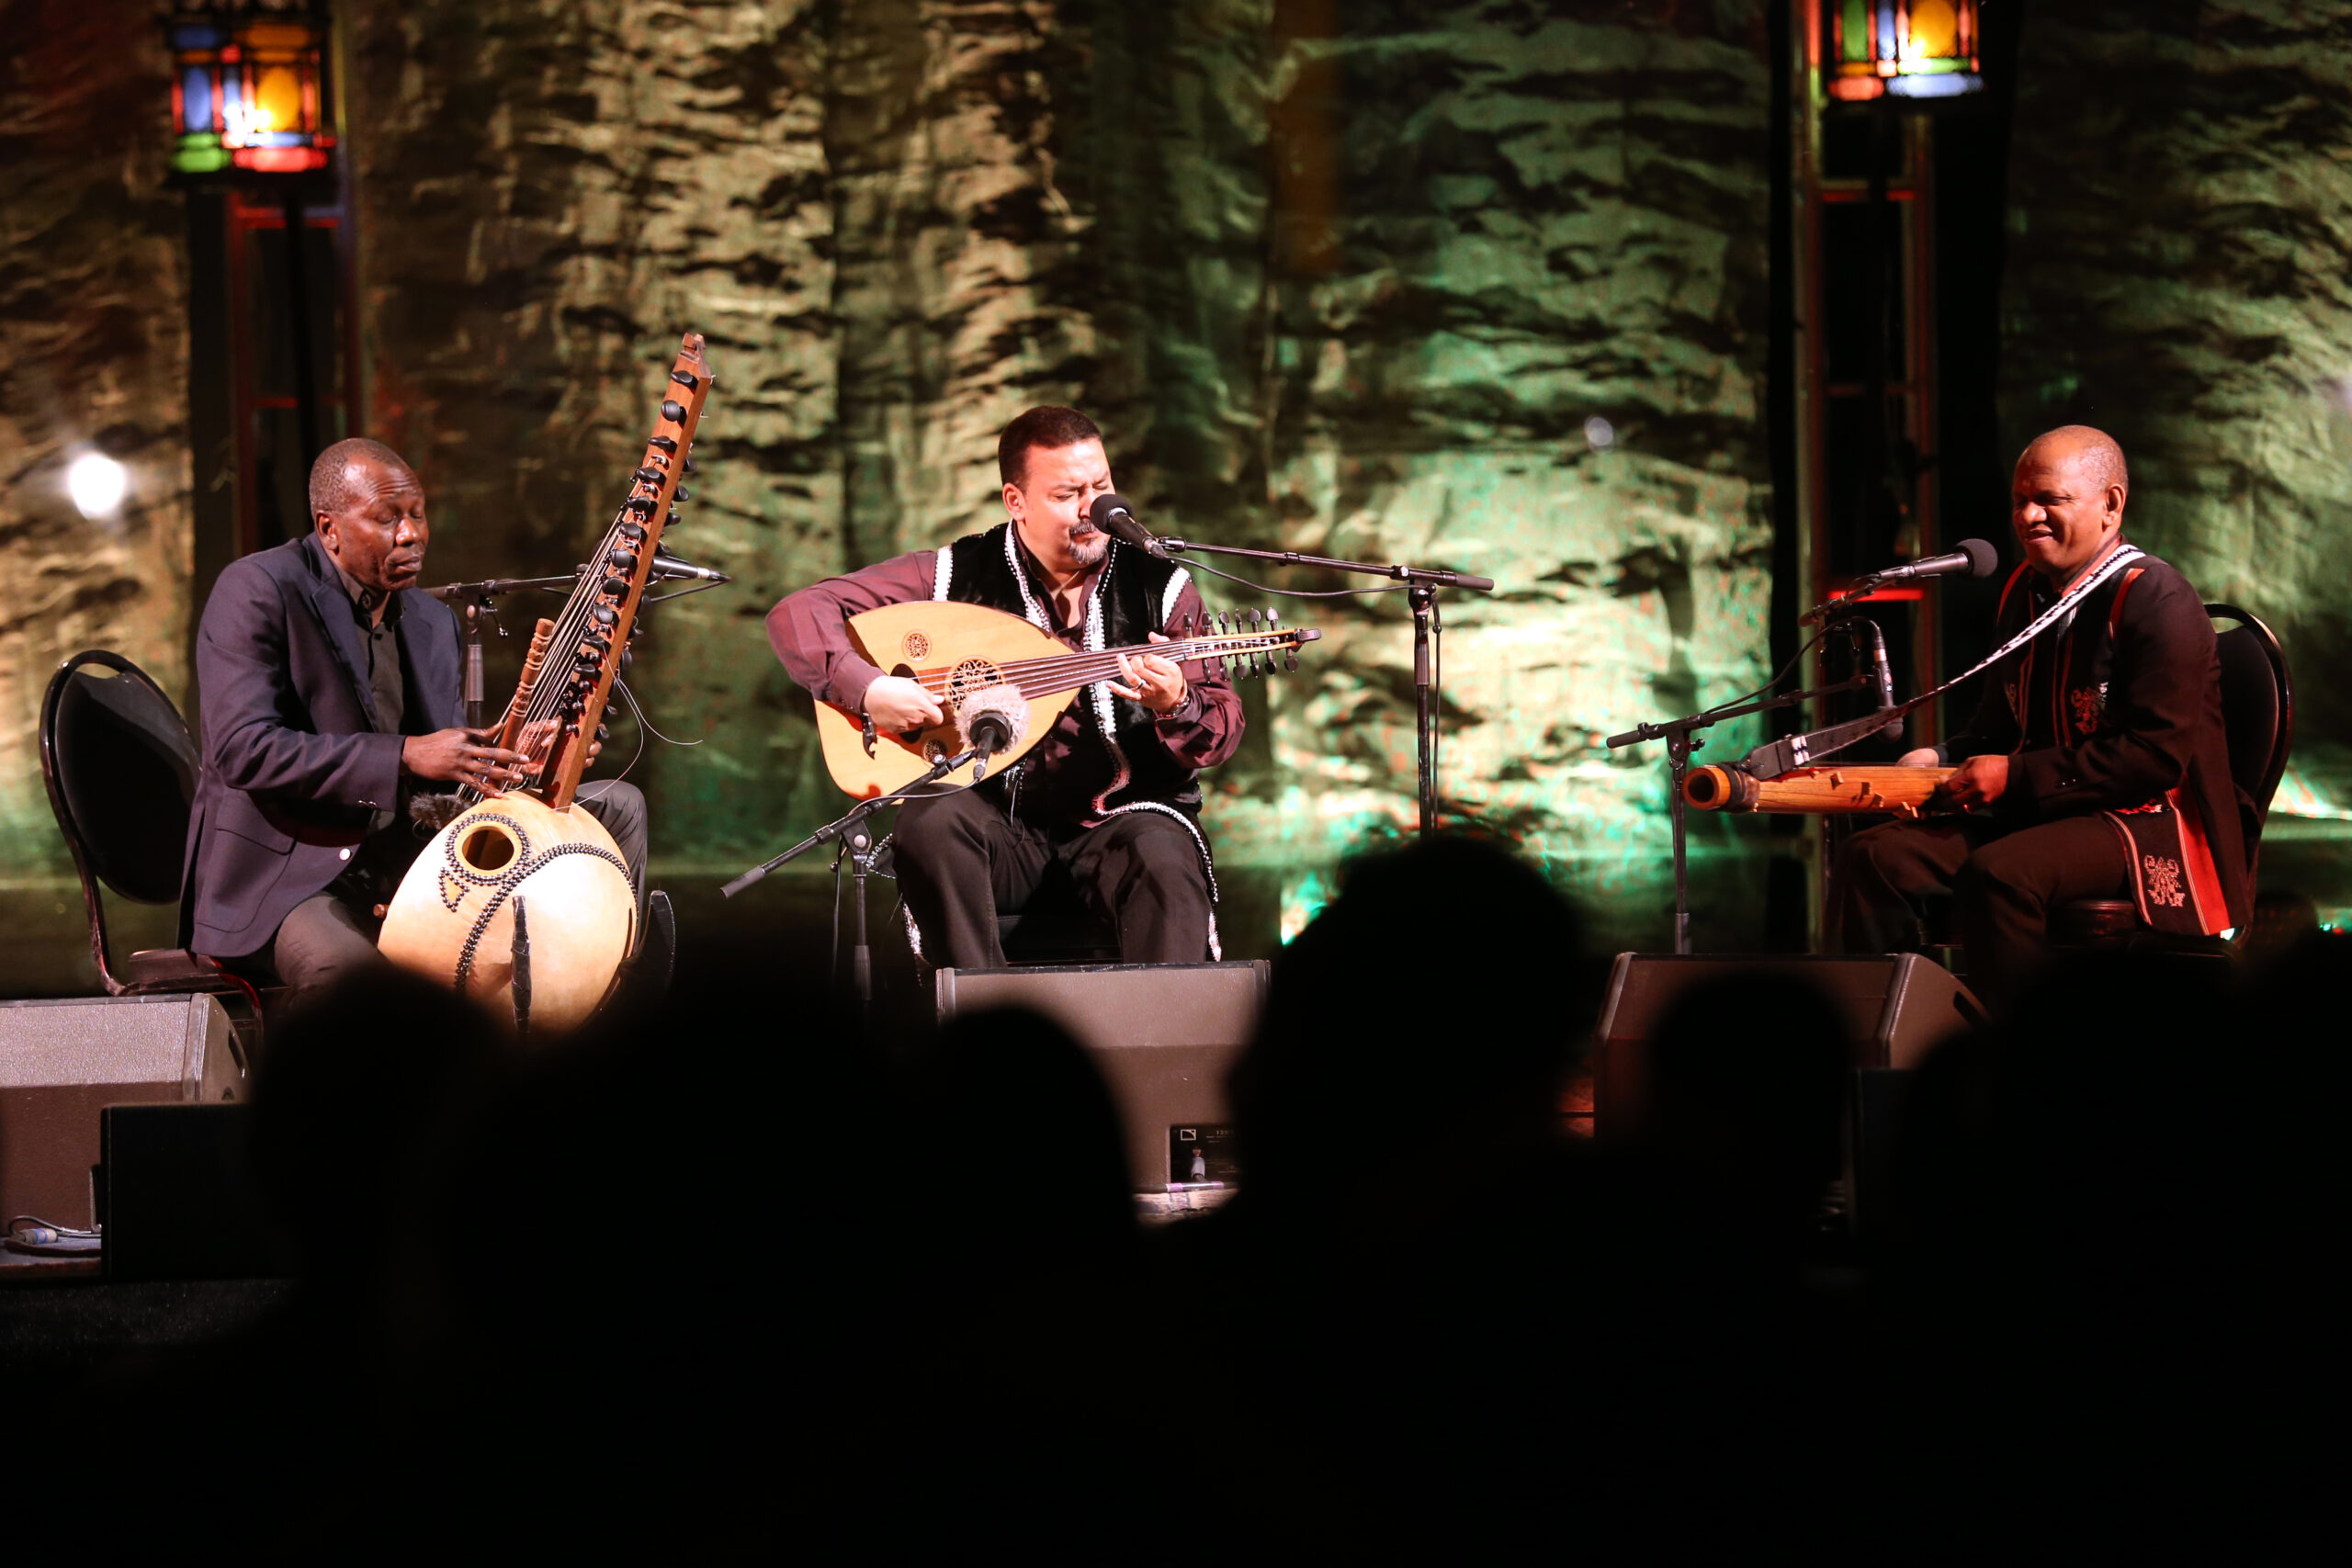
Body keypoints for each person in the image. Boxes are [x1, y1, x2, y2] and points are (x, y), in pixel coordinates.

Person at [768, 406, 1243, 968]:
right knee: (931, 822)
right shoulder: (955, 574)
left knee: (1163, 853)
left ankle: (1167, 1047)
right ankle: (984, 1032)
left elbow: (1221, 727)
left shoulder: (1159, 586)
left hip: (1121, 819)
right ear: (1015, 501)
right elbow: (800, 612)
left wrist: (1178, 704)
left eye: (1103, 486)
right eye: (1068, 494)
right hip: (998, 825)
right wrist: (869, 690)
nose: (1093, 508)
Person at [184, 437, 649, 996]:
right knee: (354, 984)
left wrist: (514, 753)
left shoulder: (431, 620)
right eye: (386, 519)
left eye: (416, 515)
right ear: (328, 528)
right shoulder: (259, 590)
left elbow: (444, 771)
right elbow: (243, 749)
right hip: (296, 875)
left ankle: (605, 1001)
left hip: (408, 855)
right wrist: (406, 753)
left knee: (619, 807)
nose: (410, 534)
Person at [1832, 425, 2252, 996]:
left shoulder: (2156, 597)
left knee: (2000, 874)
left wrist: (2013, 775)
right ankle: (1885, 1045)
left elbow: (2154, 759)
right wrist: (1939, 756)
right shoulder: (2024, 593)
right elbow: (1999, 729)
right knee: (1872, 857)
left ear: (2111, 505)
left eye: (2050, 500)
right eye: (2020, 501)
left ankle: (2023, 1062)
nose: (2028, 516)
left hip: (2148, 821)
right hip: (2044, 807)